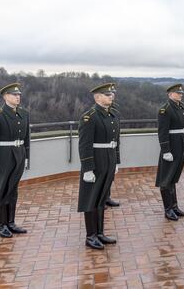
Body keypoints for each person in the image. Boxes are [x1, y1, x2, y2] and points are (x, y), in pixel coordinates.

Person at [0, 83, 30, 238]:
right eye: (14, 95)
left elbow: (26, 137)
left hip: (19, 154)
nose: (18, 97)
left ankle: (11, 222)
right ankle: (1, 225)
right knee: (1, 189)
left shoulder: (23, 113)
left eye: (19, 95)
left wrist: (27, 156)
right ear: (5, 97)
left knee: (12, 190)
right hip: (3, 156)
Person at [77, 83, 120, 250]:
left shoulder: (112, 115)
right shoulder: (90, 117)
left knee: (102, 198)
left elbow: (116, 142)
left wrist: (116, 160)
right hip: (96, 160)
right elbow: (84, 145)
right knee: (91, 198)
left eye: (111, 94)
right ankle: (91, 236)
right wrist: (87, 168)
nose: (111, 96)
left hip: (108, 159)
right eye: (107, 94)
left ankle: (100, 233)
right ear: (97, 97)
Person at [155, 83, 184, 221]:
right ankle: (168, 209)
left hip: (181, 146)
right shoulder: (165, 110)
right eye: (178, 92)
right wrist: (166, 150)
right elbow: (162, 132)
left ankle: (174, 206)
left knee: (173, 178)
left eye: (181, 92)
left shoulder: (181, 107)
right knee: (166, 179)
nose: (181, 94)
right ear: (170, 94)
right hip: (172, 147)